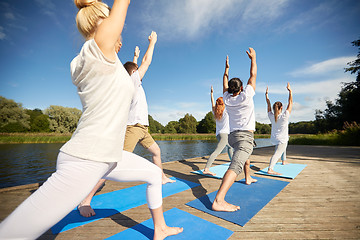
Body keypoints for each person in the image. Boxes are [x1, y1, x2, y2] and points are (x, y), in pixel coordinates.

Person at [0, 1, 182, 239]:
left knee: (153, 174)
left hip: (109, 156)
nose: (120, 36)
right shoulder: (95, 51)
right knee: (13, 233)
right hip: (86, 159)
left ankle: (160, 229)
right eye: (114, 27)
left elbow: (134, 68)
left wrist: (144, 50)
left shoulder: (106, 65)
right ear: (102, 23)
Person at [78, 35, 176, 218]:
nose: (140, 72)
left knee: (156, 151)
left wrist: (135, 56)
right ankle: (85, 200)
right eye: (137, 70)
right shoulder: (131, 82)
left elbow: (131, 67)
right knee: (113, 164)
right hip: (133, 128)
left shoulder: (132, 82)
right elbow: (143, 64)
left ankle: (161, 177)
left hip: (143, 129)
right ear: (134, 73)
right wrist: (152, 43)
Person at [212, 50, 257, 212]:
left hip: (233, 137)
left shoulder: (226, 98)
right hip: (245, 137)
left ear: (230, 89)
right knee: (235, 165)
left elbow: (224, 81)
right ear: (242, 87)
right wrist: (253, 58)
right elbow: (253, 74)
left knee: (243, 155)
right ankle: (219, 200)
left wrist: (226, 69)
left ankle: (248, 177)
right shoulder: (247, 95)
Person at [202, 86, 233, 176]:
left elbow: (212, 103)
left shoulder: (215, 112)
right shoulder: (226, 112)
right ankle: (207, 169)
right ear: (223, 104)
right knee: (217, 152)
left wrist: (211, 93)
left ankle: (232, 163)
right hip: (224, 135)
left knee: (230, 147)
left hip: (218, 135)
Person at [265, 83, 293, 175]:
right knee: (277, 153)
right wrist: (290, 91)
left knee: (282, 146)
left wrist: (266, 95)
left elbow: (268, 105)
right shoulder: (285, 116)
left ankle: (284, 160)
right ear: (281, 108)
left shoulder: (271, 116)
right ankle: (270, 169)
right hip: (282, 139)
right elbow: (290, 103)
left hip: (275, 138)